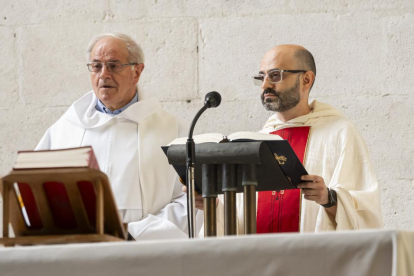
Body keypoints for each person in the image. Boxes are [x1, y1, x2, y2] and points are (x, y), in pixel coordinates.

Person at [198, 45, 383, 235]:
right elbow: (238, 221)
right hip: (257, 260)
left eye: (276, 75)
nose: (265, 85)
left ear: (306, 79)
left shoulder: (339, 134)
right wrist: (212, 205)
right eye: (261, 77)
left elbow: (366, 214)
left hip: (313, 259)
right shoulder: (256, 142)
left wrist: (329, 198)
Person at [36, 33, 197, 239]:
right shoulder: (66, 129)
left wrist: (138, 234)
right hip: (78, 252)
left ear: (137, 72)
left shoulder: (173, 132)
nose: (104, 74)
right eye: (96, 66)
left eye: (113, 65)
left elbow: (192, 200)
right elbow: (35, 192)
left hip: (145, 253)